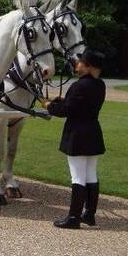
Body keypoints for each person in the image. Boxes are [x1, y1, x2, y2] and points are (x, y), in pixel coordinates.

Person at [46, 49, 106, 229]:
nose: (77, 64)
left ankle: (73, 217)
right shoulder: (100, 85)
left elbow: (66, 111)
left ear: (87, 67)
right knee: (91, 175)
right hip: (93, 134)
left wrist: (50, 106)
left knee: (78, 177)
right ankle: (89, 214)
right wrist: (63, 100)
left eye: (80, 63)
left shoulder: (79, 86)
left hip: (78, 135)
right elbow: (77, 104)